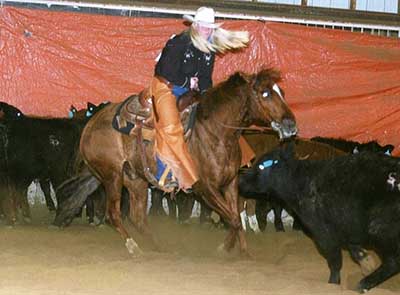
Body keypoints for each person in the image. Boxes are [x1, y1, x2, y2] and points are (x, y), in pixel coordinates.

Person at [150, 6, 249, 191]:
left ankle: (232, 162)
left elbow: (205, 78)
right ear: (195, 25)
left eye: (210, 27)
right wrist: (189, 81)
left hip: (191, 92)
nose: (208, 30)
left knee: (218, 119)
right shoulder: (179, 43)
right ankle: (166, 174)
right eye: (204, 26)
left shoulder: (208, 49)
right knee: (170, 127)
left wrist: (209, 97)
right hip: (166, 87)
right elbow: (165, 72)